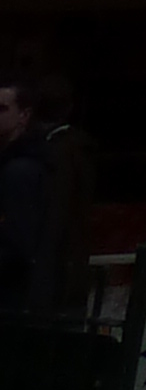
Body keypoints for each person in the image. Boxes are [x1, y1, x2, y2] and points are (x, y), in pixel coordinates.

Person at [0, 70, 86, 323]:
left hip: (15, 300)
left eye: (2, 109)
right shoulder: (29, 164)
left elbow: (17, 245)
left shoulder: (21, 171)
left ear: (24, 116)